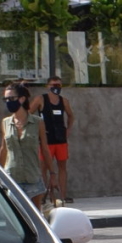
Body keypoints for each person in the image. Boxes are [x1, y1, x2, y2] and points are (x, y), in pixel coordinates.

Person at [0, 91, 47, 207]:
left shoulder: (37, 122)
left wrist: (53, 174)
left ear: (22, 99)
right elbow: (3, 148)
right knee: (13, 215)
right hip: (12, 177)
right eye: (6, 99)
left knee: (35, 215)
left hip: (32, 177)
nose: (8, 102)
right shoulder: (5, 122)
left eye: (11, 98)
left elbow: (44, 148)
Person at [38, 76, 72, 204]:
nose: (56, 87)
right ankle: (43, 196)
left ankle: (62, 196)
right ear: (48, 86)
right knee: (44, 167)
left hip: (60, 139)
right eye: (53, 85)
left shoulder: (64, 101)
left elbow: (71, 116)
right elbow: (29, 113)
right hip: (46, 140)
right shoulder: (41, 99)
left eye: (58, 85)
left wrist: (68, 130)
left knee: (62, 167)